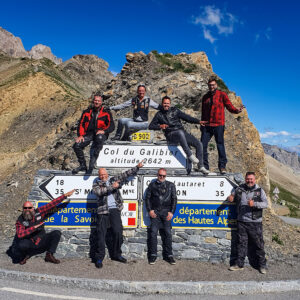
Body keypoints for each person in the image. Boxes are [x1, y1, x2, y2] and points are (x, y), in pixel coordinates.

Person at [92, 161, 144, 268]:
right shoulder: (96, 184)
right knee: (101, 235)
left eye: (104, 174)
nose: (103, 176)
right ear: (99, 176)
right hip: (103, 212)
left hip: (115, 210)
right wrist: (112, 187)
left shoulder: (112, 179)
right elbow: (99, 192)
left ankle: (116, 254)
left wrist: (137, 167)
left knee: (118, 232)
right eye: (101, 174)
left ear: (107, 174)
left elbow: (125, 174)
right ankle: (99, 258)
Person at [149, 96, 209, 174]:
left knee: (199, 144)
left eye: (167, 103)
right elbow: (151, 126)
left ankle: (201, 166)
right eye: (164, 103)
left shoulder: (175, 110)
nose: (166, 105)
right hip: (170, 134)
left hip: (182, 133)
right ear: (162, 103)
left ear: (170, 104)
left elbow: (187, 118)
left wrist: (199, 122)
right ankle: (190, 155)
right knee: (180, 133)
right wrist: (160, 126)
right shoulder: (159, 114)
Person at [14, 190, 75, 265]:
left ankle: (49, 255)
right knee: (22, 244)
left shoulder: (39, 212)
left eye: (29, 208)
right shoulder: (20, 220)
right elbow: (20, 234)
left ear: (33, 208)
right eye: (25, 208)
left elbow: (51, 204)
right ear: (23, 209)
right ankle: (25, 255)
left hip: (42, 240)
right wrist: (34, 228)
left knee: (56, 233)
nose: (27, 210)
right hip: (30, 242)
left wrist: (65, 195)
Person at [200, 76, 244, 174]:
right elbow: (203, 111)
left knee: (220, 145)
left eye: (213, 85)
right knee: (202, 145)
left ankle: (222, 166)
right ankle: (204, 166)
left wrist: (237, 110)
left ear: (216, 85)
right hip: (207, 125)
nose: (212, 87)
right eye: (210, 85)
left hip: (219, 124)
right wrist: (201, 122)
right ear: (208, 85)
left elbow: (229, 106)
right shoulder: (205, 97)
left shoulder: (222, 95)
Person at [227, 172, 268, 274]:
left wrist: (254, 204)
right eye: (248, 179)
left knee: (259, 244)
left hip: (255, 222)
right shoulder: (240, 189)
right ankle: (239, 264)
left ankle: (262, 265)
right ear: (245, 179)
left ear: (255, 180)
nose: (249, 181)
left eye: (251, 179)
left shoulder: (260, 191)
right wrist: (231, 197)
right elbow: (233, 195)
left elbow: (265, 204)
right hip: (242, 221)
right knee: (241, 244)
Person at [72, 93, 115, 174]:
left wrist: (104, 131)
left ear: (101, 102)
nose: (97, 102)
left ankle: (94, 158)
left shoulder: (106, 112)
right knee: (76, 145)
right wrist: (80, 135)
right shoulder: (86, 112)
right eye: (95, 100)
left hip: (101, 134)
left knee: (99, 138)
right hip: (88, 134)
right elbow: (81, 124)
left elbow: (112, 125)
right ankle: (82, 165)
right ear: (93, 101)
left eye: (98, 101)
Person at [145, 168, 177, 265]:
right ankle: (153, 255)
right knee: (153, 233)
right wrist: (149, 210)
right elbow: (147, 199)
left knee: (167, 233)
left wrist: (171, 212)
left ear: (165, 176)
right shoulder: (152, 185)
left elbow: (174, 199)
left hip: (166, 212)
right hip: (155, 213)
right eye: (160, 175)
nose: (161, 177)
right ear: (157, 175)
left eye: (163, 176)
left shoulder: (171, 185)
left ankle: (169, 255)